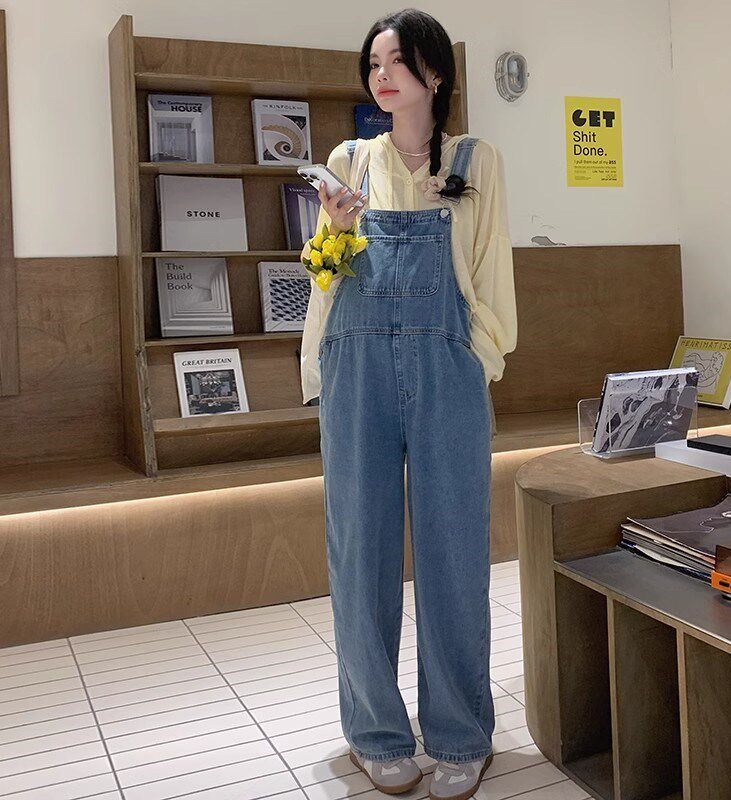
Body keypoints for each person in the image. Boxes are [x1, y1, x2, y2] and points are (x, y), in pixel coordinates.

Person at [298, 9, 517, 800]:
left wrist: (475, 355)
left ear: (435, 72)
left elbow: (491, 273)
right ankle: (375, 734)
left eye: (395, 61)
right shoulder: (348, 161)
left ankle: (461, 735)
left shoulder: (474, 159)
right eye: (373, 63)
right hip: (356, 369)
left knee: (455, 554)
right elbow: (323, 274)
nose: (381, 75)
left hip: (447, 369)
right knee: (360, 555)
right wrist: (333, 229)